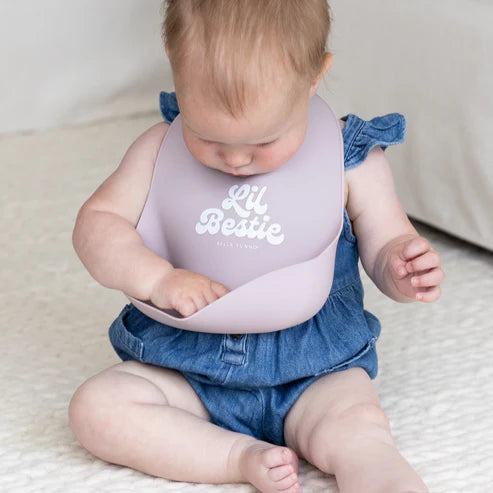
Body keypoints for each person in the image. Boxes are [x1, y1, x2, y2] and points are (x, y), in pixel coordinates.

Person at [68, 1, 444, 492]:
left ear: (314, 76)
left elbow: (386, 241)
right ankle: (234, 457)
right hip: (186, 370)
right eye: (205, 135)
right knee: (97, 409)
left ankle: (378, 474)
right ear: (174, 64)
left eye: (265, 141)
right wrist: (156, 278)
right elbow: (97, 224)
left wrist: (402, 265)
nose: (236, 160)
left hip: (315, 373)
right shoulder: (158, 149)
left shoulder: (346, 159)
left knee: (357, 427)